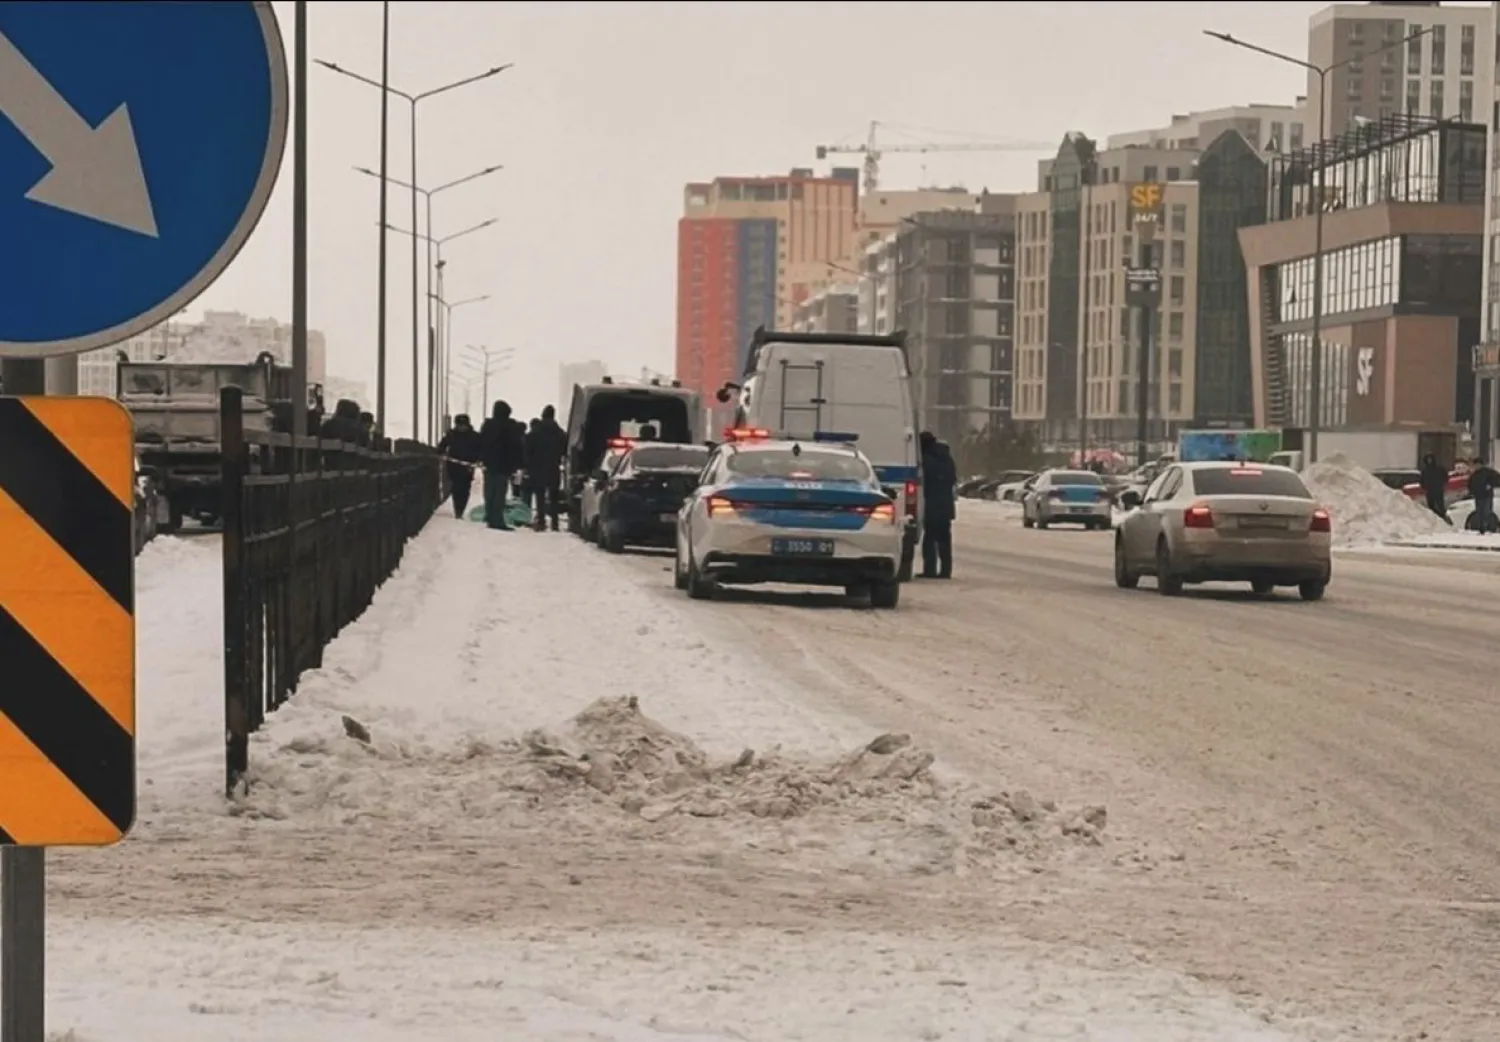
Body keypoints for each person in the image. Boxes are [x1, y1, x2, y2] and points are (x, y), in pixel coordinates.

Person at [479, 400, 525, 530]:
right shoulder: (511, 427)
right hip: (504, 465)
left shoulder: (488, 426)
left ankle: (489, 516)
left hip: (489, 464)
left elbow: (481, 443)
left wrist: (481, 458)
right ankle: (497, 520)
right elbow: (517, 446)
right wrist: (519, 463)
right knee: (500, 493)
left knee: (489, 492)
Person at [918, 430, 957, 579]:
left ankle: (930, 569)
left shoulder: (926, 459)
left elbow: (924, 482)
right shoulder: (947, 458)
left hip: (932, 504)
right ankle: (946, 570)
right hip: (946, 505)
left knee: (929, 539)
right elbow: (952, 479)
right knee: (944, 539)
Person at [525, 404, 567, 531]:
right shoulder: (559, 432)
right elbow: (565, 448)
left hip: (537, 467)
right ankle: (555, 523)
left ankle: (541, 521)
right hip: (553, 466)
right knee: (553, 496)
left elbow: (528, 448)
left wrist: (528, 464)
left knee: (540, 495)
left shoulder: (536, 431)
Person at [436, 414, 482, 519]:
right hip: (453, 466)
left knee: (465, 488)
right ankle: (458, 509)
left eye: (463, 425)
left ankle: (461, 508)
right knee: (456, 487)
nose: (461, 427)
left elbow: (480, 449)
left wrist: (478, 459)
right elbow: (443, 445)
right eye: (459, 425)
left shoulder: (474, 436)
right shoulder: (451, 434)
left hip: (468, 466)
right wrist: (440, 452)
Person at [1466, 457, 1500, 533]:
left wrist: (1490, 485)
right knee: (1479, 512)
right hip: (1478, 496)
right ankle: (1481, 528)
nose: (1476, 466)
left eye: (1477, 464)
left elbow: (1497, 479)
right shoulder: (1474, 475)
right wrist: (1471, 492)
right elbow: (1470, 485)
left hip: (1487, 496)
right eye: (1475, 465)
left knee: (1486, 512)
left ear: (1481, 464)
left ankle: (1488, 527)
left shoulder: (1488, 472)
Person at [1419, 453, 1450, 521]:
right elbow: (1421, 480)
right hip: (1429, 491)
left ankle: (1443, 518)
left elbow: (1446, 477)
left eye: (1430, 459)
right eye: (1428, 459)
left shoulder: (1439, 468)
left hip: (1438, 490)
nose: (1429, 461)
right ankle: (1433, 519)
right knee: (1431, 506)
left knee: (1440, 505)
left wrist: (1443, 485)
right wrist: (1424, 487)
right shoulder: (1425, 470)